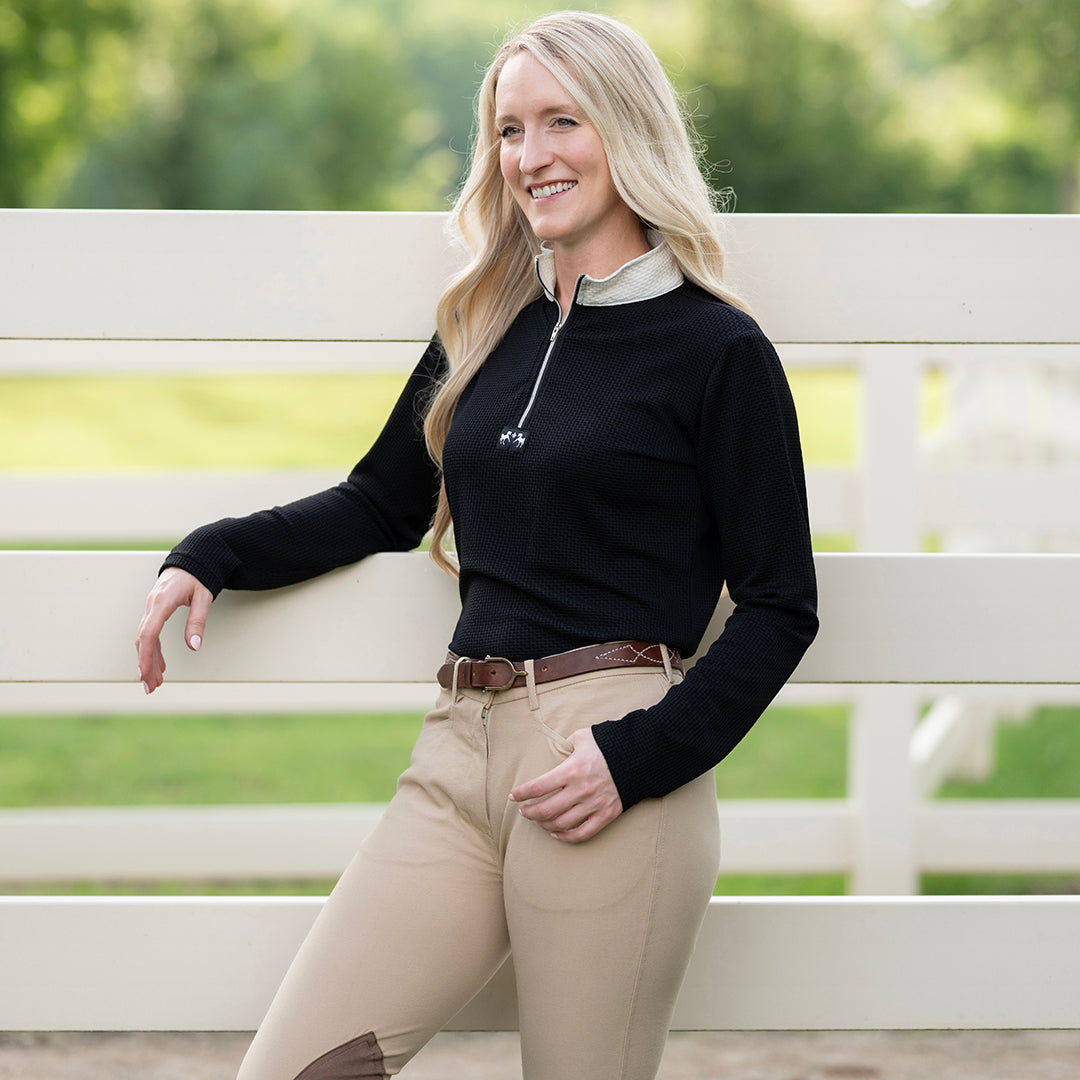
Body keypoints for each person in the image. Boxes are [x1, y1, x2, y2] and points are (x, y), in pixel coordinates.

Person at [135, 11, 818, 1080]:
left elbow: (781, 602)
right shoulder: (481, 325)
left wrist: (637, 759)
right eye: (509, 130)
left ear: (627, 129)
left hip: (607, 766)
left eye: (562, 121)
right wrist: (211, 552)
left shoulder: (716, 350)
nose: (532, 156)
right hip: (457, 757)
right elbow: (378, 504)